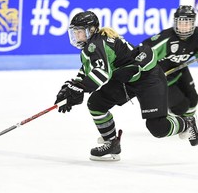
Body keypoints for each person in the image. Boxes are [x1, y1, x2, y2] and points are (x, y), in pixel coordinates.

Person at [54, 10, 198, 161]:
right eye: (74, 32)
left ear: (91, 30)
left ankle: (187, 123)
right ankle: (111, 143)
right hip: (127, 79)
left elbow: (102, 74)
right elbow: (86, 70)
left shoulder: (96, 44)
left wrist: (79, 88)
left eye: (79, 32)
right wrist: (70, 87)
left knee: (158, 127)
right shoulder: (91, 46)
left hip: (148, 78)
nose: (76, 36)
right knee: (96, 103)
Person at [141, 5, 198, 118]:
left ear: (193, 24)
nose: (184, 27)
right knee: (181, 106)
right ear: (175, 23)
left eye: (187, 23)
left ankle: (189, 124)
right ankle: (177, 120)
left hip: (180, 69)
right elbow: (142, 52)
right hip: (161, 76)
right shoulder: (166, 39)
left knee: (193, 99)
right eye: (181, 23)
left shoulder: (197, 35)